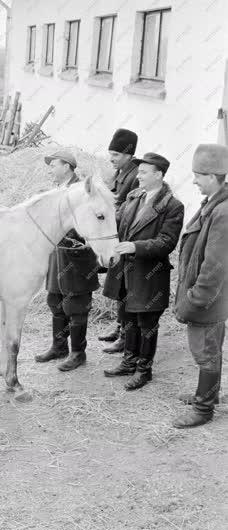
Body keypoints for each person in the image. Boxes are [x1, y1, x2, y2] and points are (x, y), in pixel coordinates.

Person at [102, 153, 184, 390]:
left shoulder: (172, 206)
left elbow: (167, 242)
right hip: (125, 271)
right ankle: (129, 362)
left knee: (147, 323)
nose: (137, 176)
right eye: (138, 172)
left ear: (158, 174)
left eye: (143, 172)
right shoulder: (134, 196)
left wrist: (135, 246)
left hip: (149, 274)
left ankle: (143, 370)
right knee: (127, 318)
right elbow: (117, 223)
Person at [172, 144, 228, 428]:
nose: (193, 181)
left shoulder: (223, 211)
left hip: (209, 300)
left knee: (206, 353)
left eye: (198, 175)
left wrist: (195, 299)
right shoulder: (214, 203)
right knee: (207, 350)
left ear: (214, 175)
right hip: (208, 299)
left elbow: (215, 267)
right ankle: (206, 396)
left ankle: (203, 410)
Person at [34, 151, 99, 372]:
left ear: (68, 167)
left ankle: (78, 352)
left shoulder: (82, 192)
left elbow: (90, 222)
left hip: (76, 256)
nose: (50, 169)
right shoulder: (57, 192)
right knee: (56, 301)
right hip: (57, 256)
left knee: (77, 306)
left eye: (54, 165)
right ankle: (59, 346)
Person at [98, 128, 141, 354]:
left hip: (126, 236)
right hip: (116, 233)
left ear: (128, 154)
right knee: (116, 285)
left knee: (124, 287)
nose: (111, 158)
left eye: (115, 154)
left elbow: (126, 208)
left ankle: (125, 335)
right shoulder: (123, 171)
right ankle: (119, 326)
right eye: (110, 153)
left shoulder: (135, 176)